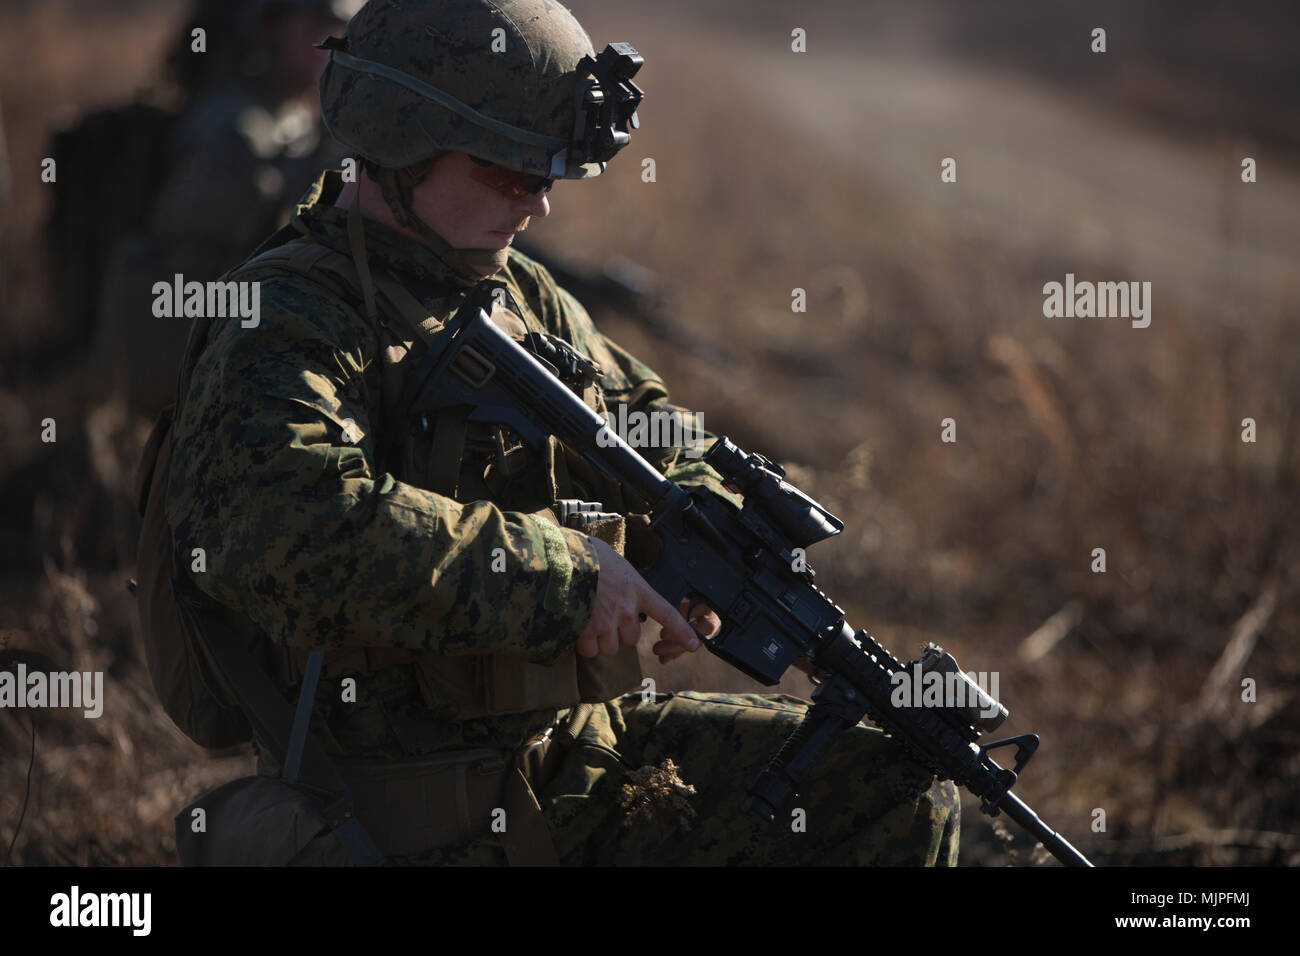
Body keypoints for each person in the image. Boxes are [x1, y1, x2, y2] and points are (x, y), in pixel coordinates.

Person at [164, 0, 961, 865]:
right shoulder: (287, 317)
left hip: (577, 760)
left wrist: (713, 525)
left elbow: (648, 429)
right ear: (403, 138)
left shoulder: (517, 296)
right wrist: (569, 578)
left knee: (898, 784)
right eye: (512, 173)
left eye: (551, 176)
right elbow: (287, 531)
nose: (538, 205)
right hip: (402, 816)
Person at [94, 0, 360, 408]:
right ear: (271, 30)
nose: (330, 40)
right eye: (315, 23)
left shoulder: (297, 117)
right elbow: (197, 257)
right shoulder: (231, 129)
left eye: (338, 26)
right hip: (195, 360)